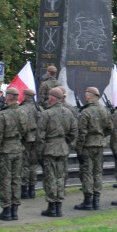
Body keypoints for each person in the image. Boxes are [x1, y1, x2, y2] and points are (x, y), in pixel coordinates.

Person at [37, 86, 78, 217]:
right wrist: (66, 143)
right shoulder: (69, 113)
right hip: (63, 148)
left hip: (49, 149)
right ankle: (59, 206)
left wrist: (40, 152)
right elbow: (74, 132)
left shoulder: (46, 114)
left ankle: (52, 206)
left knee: (50, 178)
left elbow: (40, 136)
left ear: (51, 98)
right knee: (60, 178)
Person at [0, 87, 30, 221]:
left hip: (5, 150)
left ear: (8, 98)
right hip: (18, 149)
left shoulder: (3, 115)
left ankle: (6, 209)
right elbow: (26, 132)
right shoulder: (23, 113)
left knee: (5, 180)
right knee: (16, 180)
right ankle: (15, 210)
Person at [74, 86, 111, 211]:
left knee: (87, 173)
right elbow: (110, 128)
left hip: (88, 146)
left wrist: (78, 149)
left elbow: (82, 133)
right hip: (99, 145)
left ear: (88, 96)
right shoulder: (104, 110)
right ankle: (96, 200)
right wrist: (100, 136)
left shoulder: (85, 112)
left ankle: (88, 200)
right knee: (98, 172)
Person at [19, 88, 40, 199]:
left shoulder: (22, 109)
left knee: (25, 164)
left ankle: (24, 188)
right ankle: (32, 189)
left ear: (25, 96)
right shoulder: (39, 108)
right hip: (36, 138)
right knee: (33, 164)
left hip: (26, 139)